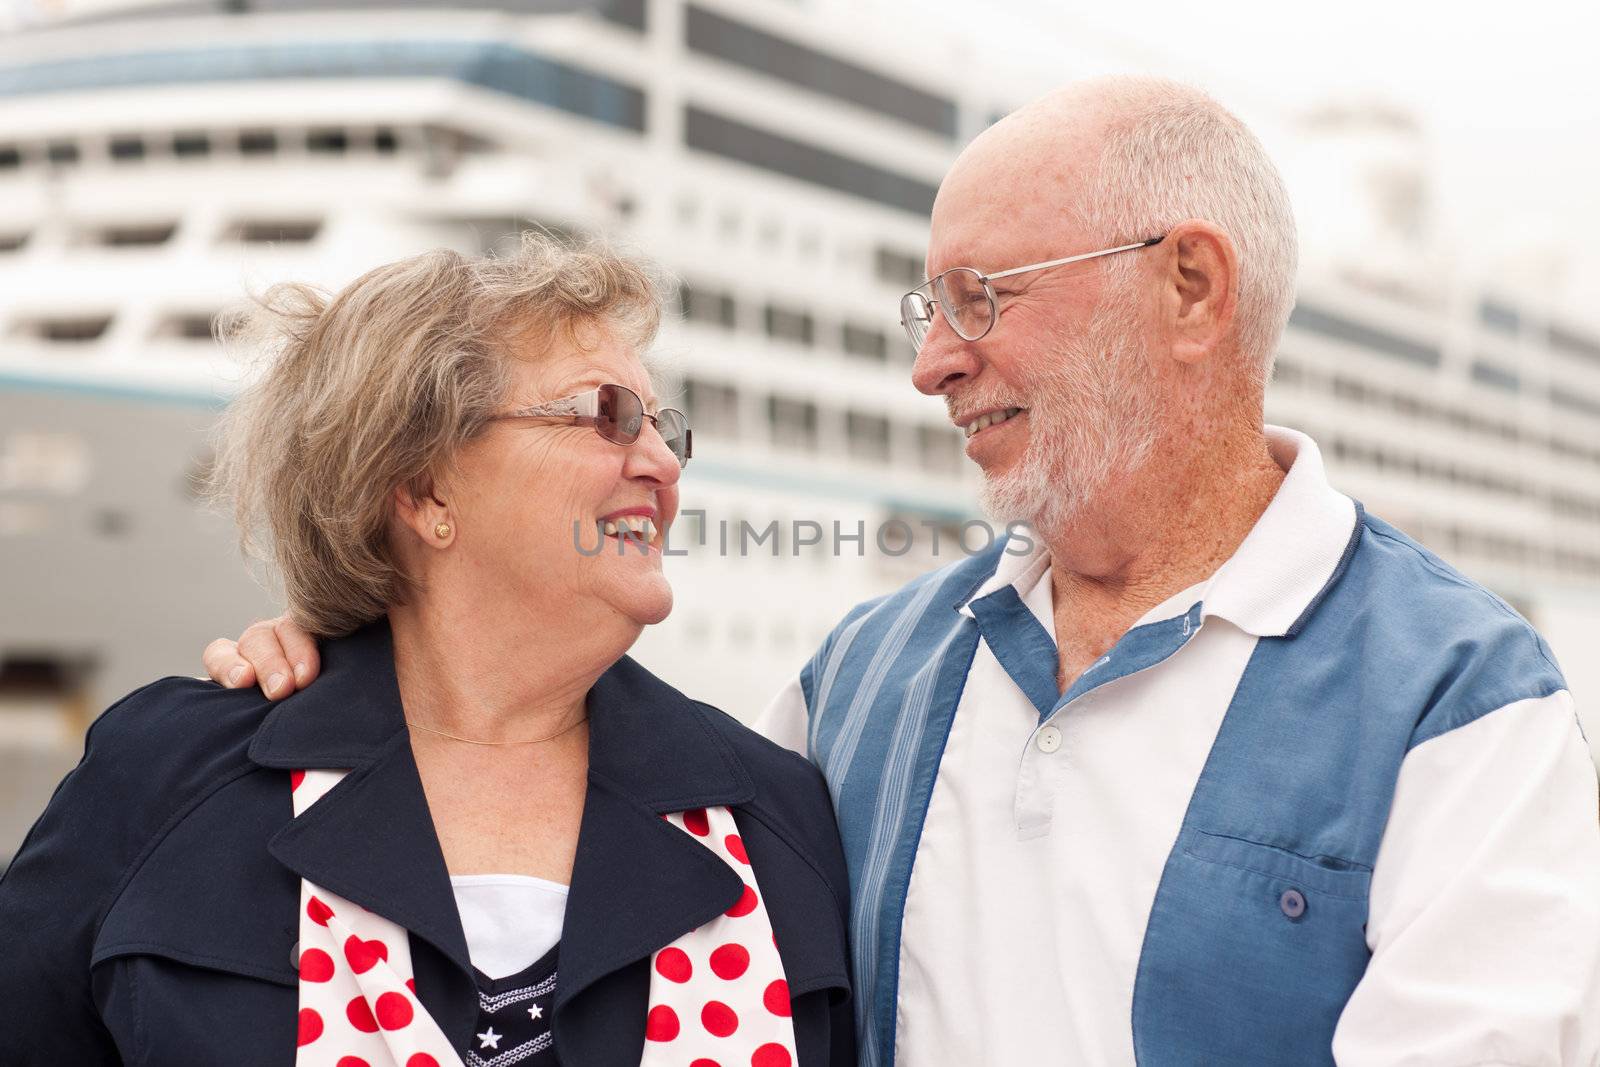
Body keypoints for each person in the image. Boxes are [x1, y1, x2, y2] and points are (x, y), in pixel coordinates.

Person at [202, 78, 1600, 1065]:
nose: (929, 359)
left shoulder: (1463, 705)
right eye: (926, 306)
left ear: (1190, 288)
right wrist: (356, 660)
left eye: (982, 298)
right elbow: (571, 808)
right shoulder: (861, 675)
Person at [0, 237, 854, 1066]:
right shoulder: (169, 779)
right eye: (609, 416)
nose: (665, 463)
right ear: (422, 486)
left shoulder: (774, 814)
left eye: (666, 428)